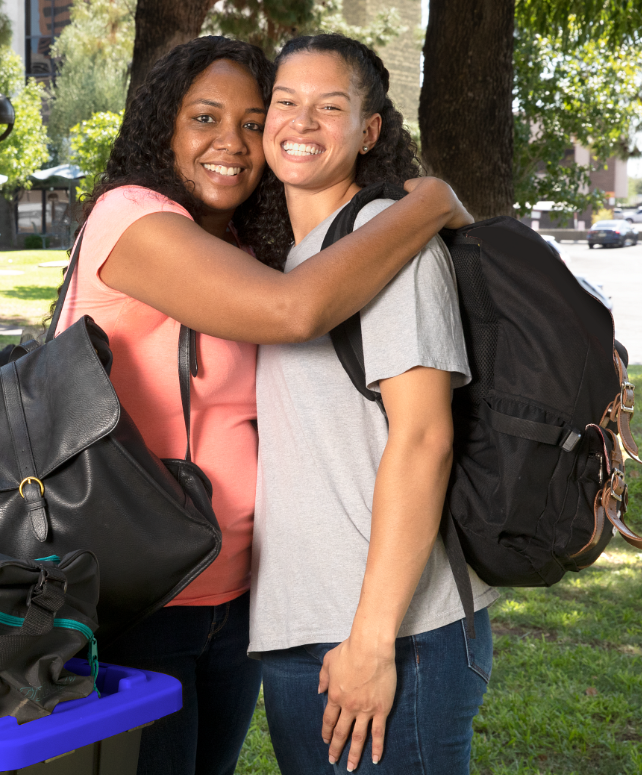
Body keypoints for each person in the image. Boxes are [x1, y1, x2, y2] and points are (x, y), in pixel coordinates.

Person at [54, 35, 472, 775]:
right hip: (140, 597)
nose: (235, 142)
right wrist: (433, 200)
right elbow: (290, 313)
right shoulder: (131, 216)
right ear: (164, 128)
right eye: (205, 119)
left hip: (242, 602)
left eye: (252, 121)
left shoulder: (254, 249)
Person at [250, 33, 498, 775]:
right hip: (304, 624)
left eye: (331, 107)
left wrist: (371, 637)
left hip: (394, 634)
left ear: (370, 130)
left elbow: (425, 439)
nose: (302, 122)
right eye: (286, 103)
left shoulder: (390, 244)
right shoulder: (296, 260)